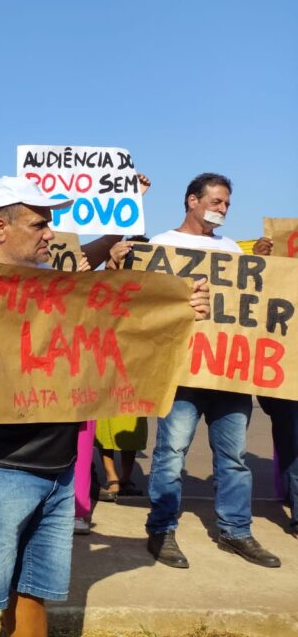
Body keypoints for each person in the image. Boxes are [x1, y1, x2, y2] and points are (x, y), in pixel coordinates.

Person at [0, 176, 209, 637]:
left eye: (51, 223)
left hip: (59, 460)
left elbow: (125, 323)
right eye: (40, 223)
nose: (50, 233)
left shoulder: (51, 281)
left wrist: (182, 305)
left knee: (33, 589)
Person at [145, 173, 281, 569]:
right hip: (184, 371)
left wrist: (264, 264)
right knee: (171, 453)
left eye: (226, 205)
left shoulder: (230, 250)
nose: (222, 210)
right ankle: (161, 529)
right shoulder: (162, 246)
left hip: (230, 371)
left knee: (234, 456)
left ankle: (236, 531)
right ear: (192, 200)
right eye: (216, 201)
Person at [247, 236, 298, 539]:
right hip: (285, 374)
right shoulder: (275, 271)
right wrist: (261, 264)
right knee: (293, 444)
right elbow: (250, 303)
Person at [94, 237, 149, 502]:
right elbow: (100, 291)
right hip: (106, 362)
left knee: (133, 424)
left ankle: (124, 478)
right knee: (105, 424)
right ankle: (112, 477)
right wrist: (112, 261)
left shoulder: (152, 289)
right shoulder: (111, 282)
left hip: (138, 365)